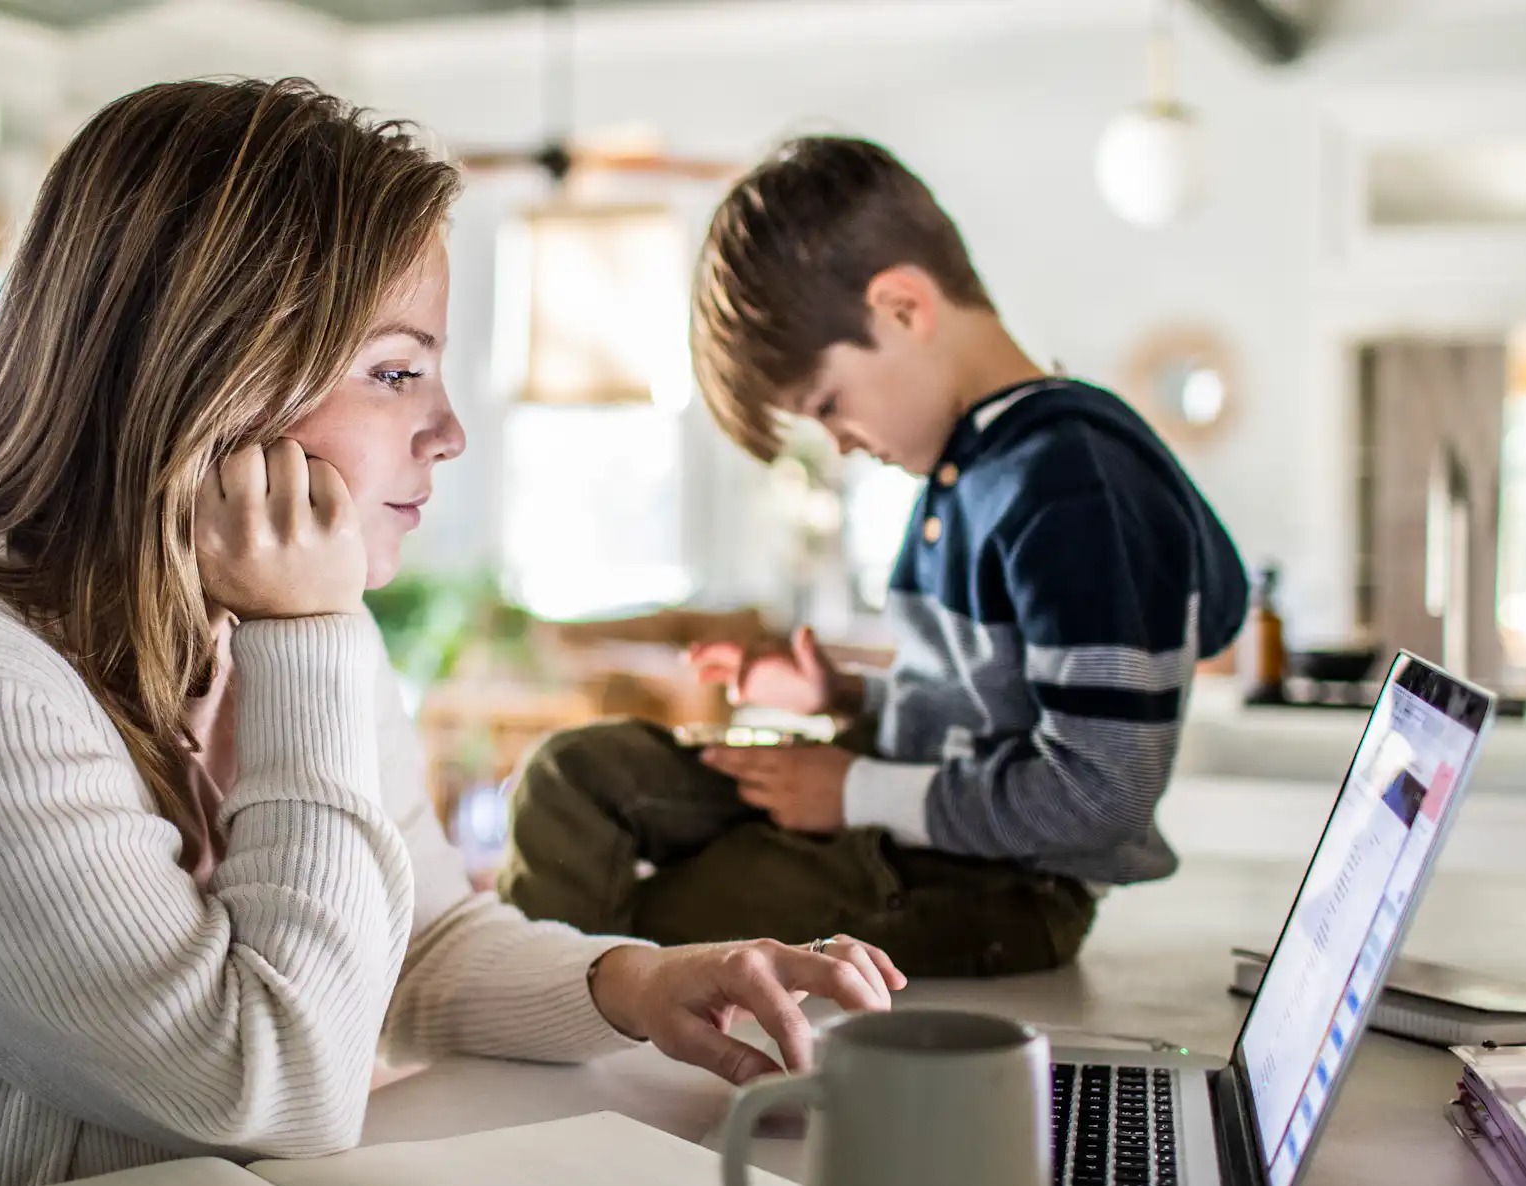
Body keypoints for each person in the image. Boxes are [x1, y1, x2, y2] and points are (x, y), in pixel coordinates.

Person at [0, 81, 903, 1186]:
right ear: (212, 374)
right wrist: (311, 639)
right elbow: (266, 1087)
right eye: (397, 372)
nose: (450, 432)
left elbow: (417, 937)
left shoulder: (248, 614)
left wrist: (634, 983)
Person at [499, 136, 1246, 979]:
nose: (843, 445)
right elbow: (985, 705)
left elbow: (1102, 795)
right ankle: (543, 999)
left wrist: (853, 791)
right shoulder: (971, 468)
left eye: (829, 405)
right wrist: (843, 694)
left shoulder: (1080, 484)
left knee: (660, 921)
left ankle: (564, 1042)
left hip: (999, 884)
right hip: (897, 806)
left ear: (901, 308)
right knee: (572, 777)